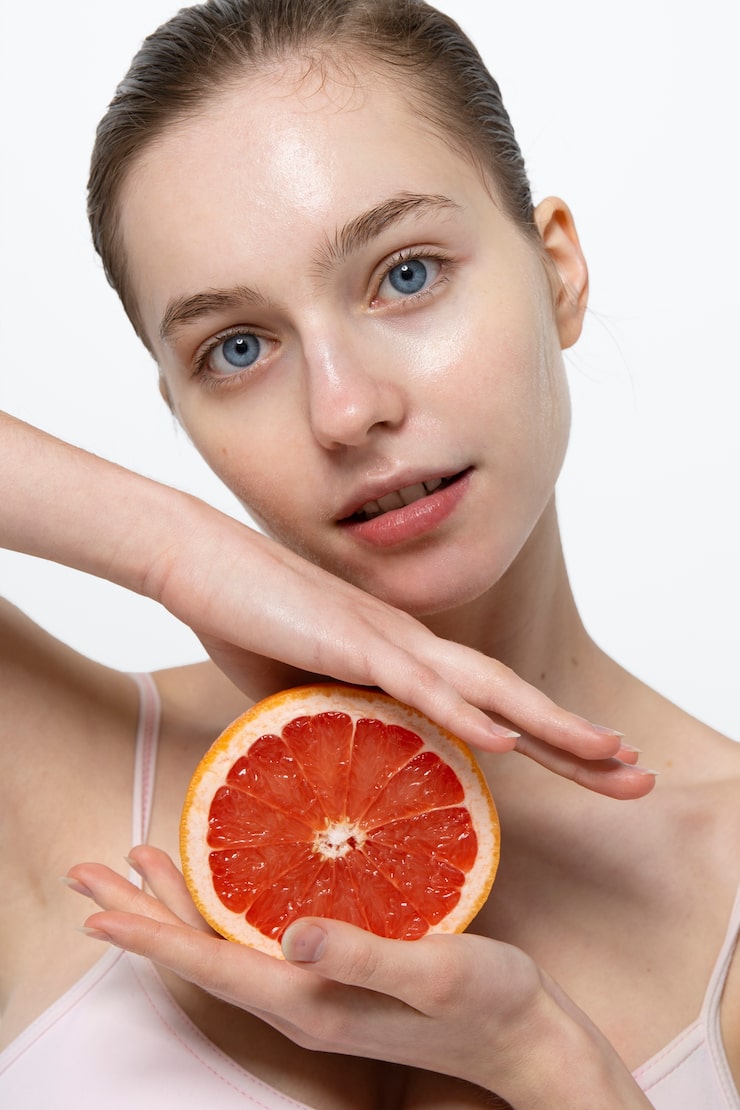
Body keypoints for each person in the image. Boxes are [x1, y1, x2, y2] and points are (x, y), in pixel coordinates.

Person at [0, 0, 737, 1106]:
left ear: (558, 272)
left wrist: (541, 1056)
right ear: (178, 411)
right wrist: (173, 549)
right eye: (235, 349)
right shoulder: (53, 763)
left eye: (405, 275)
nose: (344, 411)